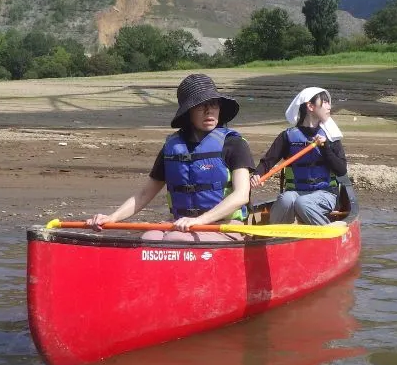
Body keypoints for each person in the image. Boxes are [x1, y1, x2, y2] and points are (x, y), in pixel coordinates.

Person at [87, 73, 255, 241]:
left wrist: (199, 221)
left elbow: (241, 195)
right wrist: (112, 217)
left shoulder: (234, 144)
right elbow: (144, 194)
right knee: (150, 238)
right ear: (188, 112)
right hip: (181, 223)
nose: (209, 111)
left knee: (177, 239)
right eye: (200, 106)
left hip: (225, 224)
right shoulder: (172, 147)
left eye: (213, 105)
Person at [250, 87, 347, 225]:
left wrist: (324, 148)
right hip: (296, 191)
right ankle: (275, 238)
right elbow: (268, 161)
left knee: (303, 203)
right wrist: (257, 174)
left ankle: (326, 233)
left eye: (328, 102)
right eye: (324, 102)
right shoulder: (287, 136)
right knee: (286, 200)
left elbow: (341, 169)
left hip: (325, 193)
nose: (329, 106)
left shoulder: (331, 136)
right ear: (310, 106)